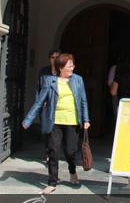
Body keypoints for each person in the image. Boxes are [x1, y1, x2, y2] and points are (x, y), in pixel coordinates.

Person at [22, 53, 90, 194]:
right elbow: (40, 102)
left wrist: (86, 119)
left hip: (72, 121)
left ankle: (72, 171)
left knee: (71, 151)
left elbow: (83, 101)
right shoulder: (50, 81)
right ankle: (52, 182)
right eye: (69, 66)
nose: (72, 68)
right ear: (61, 68)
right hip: (55, 121)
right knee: (54, 150)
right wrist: (28, 120)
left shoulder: (78, 80)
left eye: (72, 65)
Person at [37, 49, 60, 163]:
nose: (55, 59)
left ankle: (53, 153)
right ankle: (47, 151)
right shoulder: (43, 72)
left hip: (59, 107)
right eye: (52, 57)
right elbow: (39, 89)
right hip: (46, 107)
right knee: (46, 130)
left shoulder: (63, 72)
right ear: (49, 59)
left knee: (56, 131)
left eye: (57, 57)